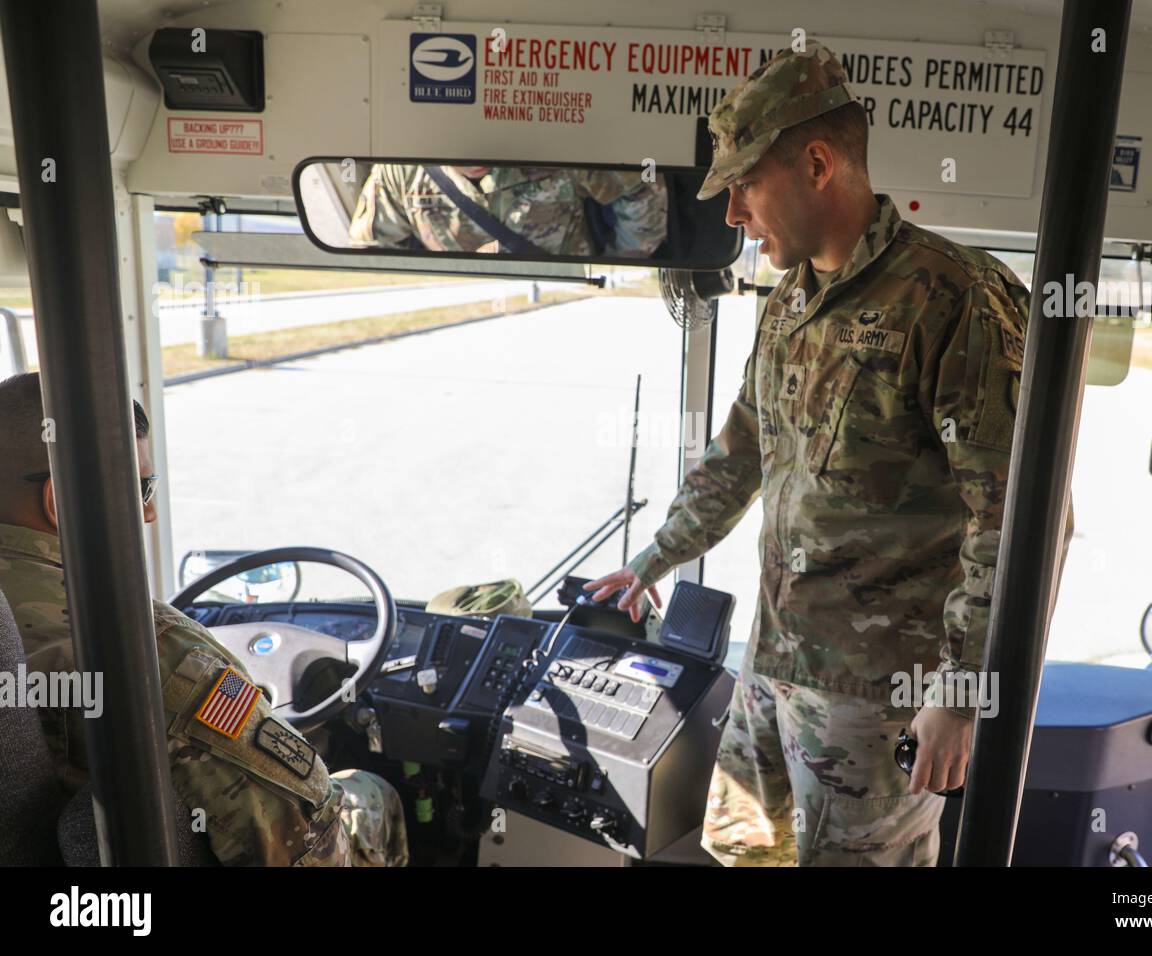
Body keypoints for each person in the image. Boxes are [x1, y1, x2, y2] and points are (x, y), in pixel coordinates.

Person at [586, 41, 1069, 866]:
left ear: (817, 163)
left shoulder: (955, 300)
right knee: (745, 856)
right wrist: (656, 560)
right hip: (772, 668)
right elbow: (741, 449)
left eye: (743, 185)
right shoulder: (791, 300)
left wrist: (960, 693)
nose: (732, 213)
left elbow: (1021, 521)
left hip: (878, 706)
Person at [0, 372, 408, 866]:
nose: (149, 514)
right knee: (369, 792)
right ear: (61, 505)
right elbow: (311, 848)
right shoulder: (143, 654)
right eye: (142, 488)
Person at [348, 162, 667, 257]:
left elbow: (641, 189)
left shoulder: (563, 156)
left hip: (560, 296)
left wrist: (623, 261)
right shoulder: (402, 171)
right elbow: (371, 248)